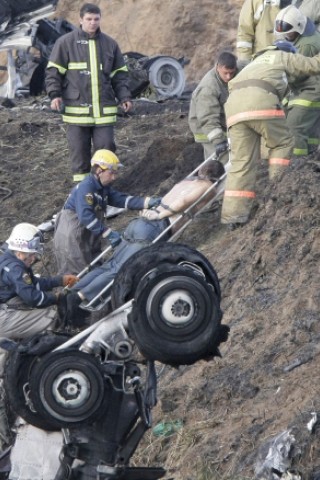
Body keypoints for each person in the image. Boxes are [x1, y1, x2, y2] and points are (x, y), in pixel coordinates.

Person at [63, 160, 225, 317]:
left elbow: (129, 199)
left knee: (109, 265)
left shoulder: (185, 182)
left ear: (201, 171)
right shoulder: (207, 187)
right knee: (120, 269)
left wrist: (152, 207)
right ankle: (79, 298)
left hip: (139, 224)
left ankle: (73, 291)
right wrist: (161, 214)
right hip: (155, 227)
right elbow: (183, 201)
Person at [0, 223, 78, 470]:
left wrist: (58, 280)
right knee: (50, 314)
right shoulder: (14, 267)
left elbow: (33, 281)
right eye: (33, 253)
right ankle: (49, 353)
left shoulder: (10, 259)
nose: (35, 258)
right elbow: (33, 297)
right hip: (4, 318)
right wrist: (57, 296)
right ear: (22, 250)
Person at [220, 41, 320, 228]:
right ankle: (279, 193)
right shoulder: (283, 56)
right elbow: (313, 65)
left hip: (233, 107)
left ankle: (233, 217)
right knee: (282, 144)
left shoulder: (255, 62)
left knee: (242, 161)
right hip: (260, 100)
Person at [45, 3, 132, 183]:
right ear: (80, 20)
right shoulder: (66, 43)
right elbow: (53, 72)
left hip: (104, 113)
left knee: (106, 152)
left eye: (96, 19)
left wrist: (124, 97)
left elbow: (120, 76)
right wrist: (55, 95)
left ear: (100, 19)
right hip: (76, 113)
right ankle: (83, 195)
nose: (93, 23)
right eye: (89, 19)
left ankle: (104, 191)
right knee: (79, 156)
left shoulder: (110, 44)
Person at [53, 149, 161, 276]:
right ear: (99, 171)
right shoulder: (86, 188)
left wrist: (147, 202)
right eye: (112, 173)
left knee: (95, 268)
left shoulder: (102, 188)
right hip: (71, 238)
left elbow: (121, 199)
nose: (114, 177)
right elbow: (85, 216)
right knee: (79, 275)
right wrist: (108, 233)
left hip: (87, 235)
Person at [275, 6, 320, 155]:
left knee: (294, 126)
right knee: (311, 131)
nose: (287, 36)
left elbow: (299, 71)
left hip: (312, 90)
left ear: (299, 27)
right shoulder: (299, 35)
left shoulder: (307, 44)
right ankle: (312, 160)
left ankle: (298, 164)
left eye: (289, 32)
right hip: (304, 88)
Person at [188, 51, 237, 164]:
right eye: (225, 73)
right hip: (207, 130)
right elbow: (207, 118)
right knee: (221, 163)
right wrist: (218, 141)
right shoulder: (208, 88)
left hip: (221, 124)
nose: (229, 77)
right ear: (217, 68)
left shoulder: (236, 71)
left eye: (232, 73)